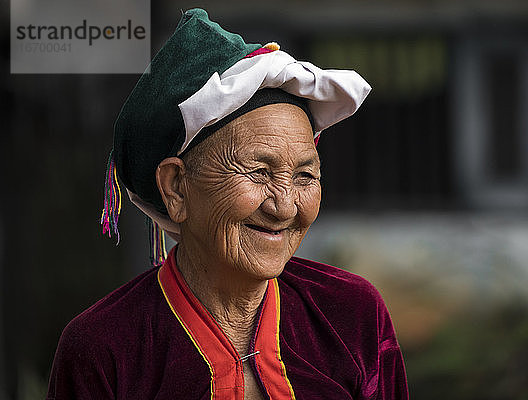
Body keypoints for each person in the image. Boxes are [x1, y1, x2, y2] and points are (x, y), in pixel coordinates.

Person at [47, 8, 408, 400]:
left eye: (305, 176)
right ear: (177, 188)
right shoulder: (103, 348)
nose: (285, 207)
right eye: (258, 173)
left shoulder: (351, 314)